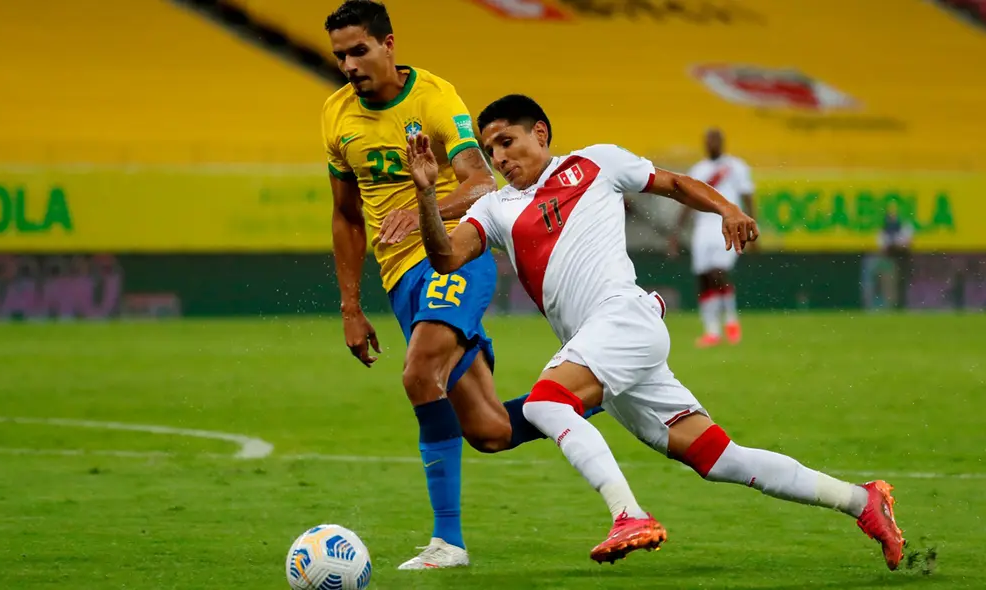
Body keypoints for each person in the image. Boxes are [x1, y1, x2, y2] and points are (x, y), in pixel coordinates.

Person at [405, 94, 905, 570]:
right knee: (718, 458)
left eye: (507, 141)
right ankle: (862, 501)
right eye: (490, 150)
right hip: (605, 345)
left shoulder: (595, 162)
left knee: (545, 404)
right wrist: (428, 194)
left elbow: (673, 184)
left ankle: (629, 515)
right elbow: (445, 257)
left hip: (622, 318)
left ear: (540, 133)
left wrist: (727, 209)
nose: (499, 158)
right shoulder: (494, 209)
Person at [323, 1, 582, 570]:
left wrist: (422, 211)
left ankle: (448, 543)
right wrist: (350, 305)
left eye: (359, 51)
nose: (349, 65)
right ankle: (601, 390)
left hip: (454, 258)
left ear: (389, 45)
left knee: (419, 374)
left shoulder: (434, 100)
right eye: (340, 55)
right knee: (488, 430)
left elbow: (478, 182)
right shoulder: (337, 116)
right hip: (400, 280)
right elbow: (345, 216)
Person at [670, 128, 755, 347]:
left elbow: (748, 196)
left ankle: (732, 321)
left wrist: (752, 228)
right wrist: (676, 233)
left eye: (716, 140)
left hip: (727, 224)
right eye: (709, 140)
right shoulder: (699, 169)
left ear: (722, 142)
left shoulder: (736, 167)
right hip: (702, 228)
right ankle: (712, 331)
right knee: (704, 277)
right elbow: (688, 200)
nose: (712, 144)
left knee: (719, 272)